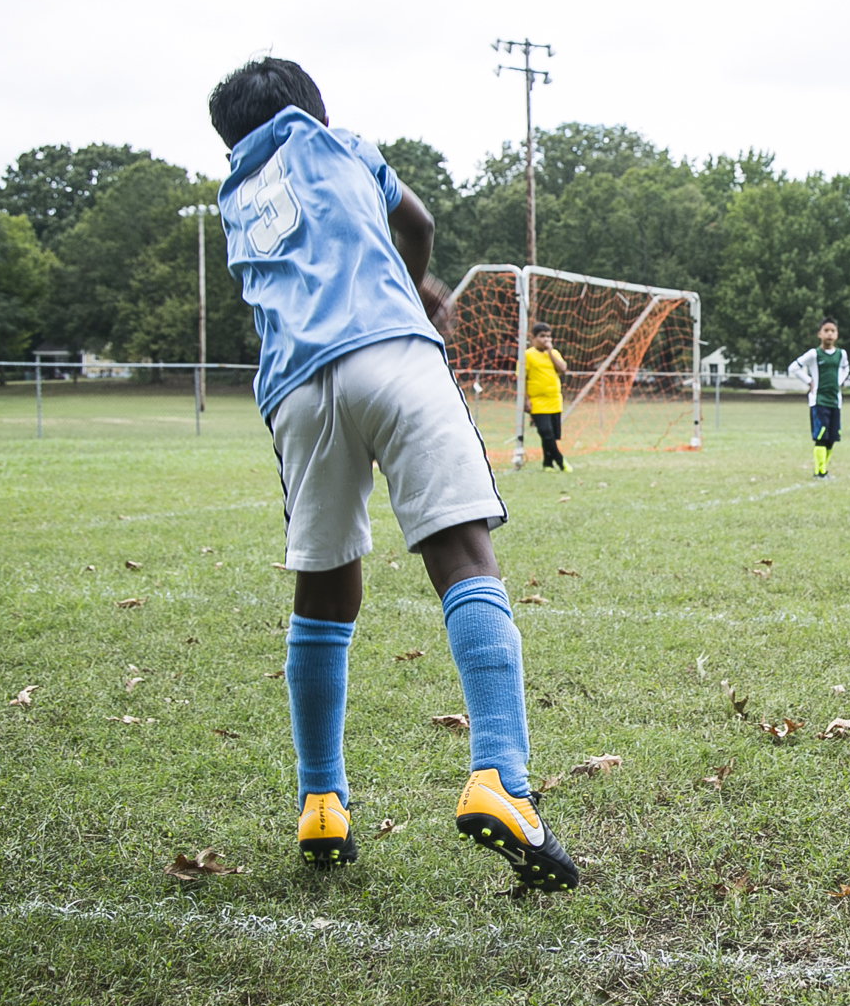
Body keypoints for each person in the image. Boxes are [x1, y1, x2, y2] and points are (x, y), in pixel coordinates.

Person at [208, 56, 575, 890]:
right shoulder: (340, 146)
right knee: (461, 552)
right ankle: (501, 778)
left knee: (323, 584)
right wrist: (416, 287)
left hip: (296, 392)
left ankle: (321, 800)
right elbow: (419, 224)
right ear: (312, 110)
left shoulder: (234, 200)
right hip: (391, 353)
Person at [788, 318, 850, 478]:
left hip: (835, 401)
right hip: (819, 401)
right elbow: (794, 367)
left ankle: (825, 470)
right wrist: (808, 381)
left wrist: (840, 381)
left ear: (837, 335)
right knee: (821, 437)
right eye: (826, 330)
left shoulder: (841, 354)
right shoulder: (814, 354)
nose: (829, 334)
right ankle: (819, 472)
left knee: (832, 438)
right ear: (819, 334)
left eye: (833, 331)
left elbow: (845, 368)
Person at [522, 321, 570, 471]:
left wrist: (550, 352)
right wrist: (525, 399)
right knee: (545, 432)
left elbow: (563, 368)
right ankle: (561, 461)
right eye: (542, 336)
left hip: (554, 400)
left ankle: (547, 464)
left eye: (548, 337)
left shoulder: (554, 353)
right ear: (534, 338)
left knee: (551, 435)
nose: (546, 340)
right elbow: (521, 379)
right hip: (537, 401)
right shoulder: (527, 355)